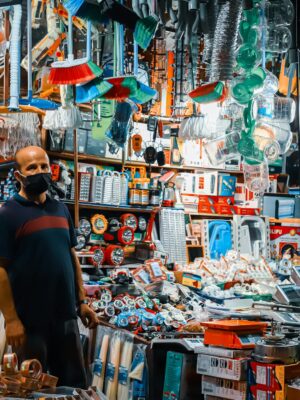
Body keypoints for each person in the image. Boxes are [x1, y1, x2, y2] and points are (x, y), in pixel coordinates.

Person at [0, 146, 98, 388]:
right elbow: (0, 270)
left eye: (44, 166)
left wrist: (82, 301)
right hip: (29, 322)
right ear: (18, 175)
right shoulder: (8, 214)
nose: (40, 171)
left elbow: (71, 255)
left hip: (65, 316)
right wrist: (11, 319)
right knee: (31, 387)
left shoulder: (60, 208)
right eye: (32, 167)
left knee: (74, 386)